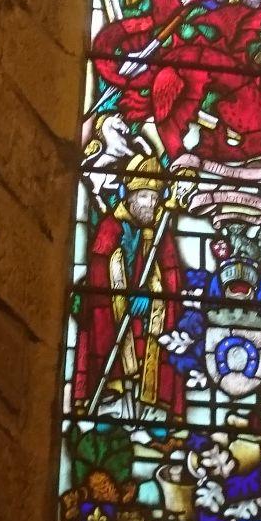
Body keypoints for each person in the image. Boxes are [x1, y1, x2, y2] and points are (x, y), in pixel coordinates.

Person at [73, 157, 183, 418]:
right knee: (113, 354)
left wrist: (154, 294)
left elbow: (172, 276)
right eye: (145, 196)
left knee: (148, 358)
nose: (151, 203)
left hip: (147, 318)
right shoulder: (110, 228)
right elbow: (100, 272)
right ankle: (110, 403)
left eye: (155, 197)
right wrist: (122, 296)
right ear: (129, 196)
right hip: (113, 316)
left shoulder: (160, 232)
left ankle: (151, 408)